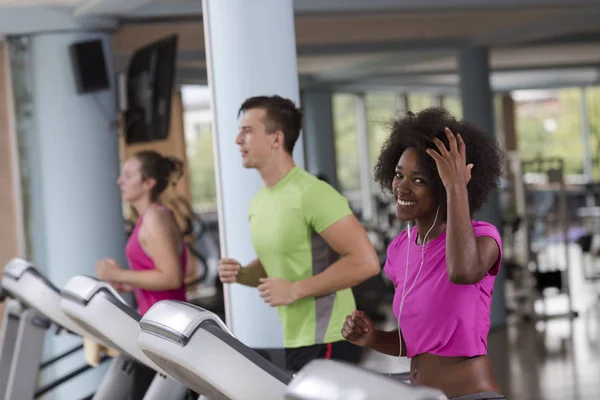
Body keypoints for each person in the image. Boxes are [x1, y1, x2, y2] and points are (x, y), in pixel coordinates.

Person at [341, 108, 505, 400]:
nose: (401, 187)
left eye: (418, 180)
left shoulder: (483, 238)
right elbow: (415, 343)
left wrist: (456, 185)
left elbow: (463, 271)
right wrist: (373, 337)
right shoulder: (399, 250)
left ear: (442, 185)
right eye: (398, 175)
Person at [218, 95, 381, 372]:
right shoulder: (261, 201)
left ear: (275, 138)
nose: (237, 140)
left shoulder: (312, 193)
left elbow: (366, 262)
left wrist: (294, 290)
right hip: (298, 338)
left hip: (331, 336)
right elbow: (281, 267)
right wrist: (242, 273)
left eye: (247, 131)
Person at [96, 150, 188, 399]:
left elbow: (171, 277)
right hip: (153, 330)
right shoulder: (147, 219)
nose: (120, 181)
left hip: (167, 332)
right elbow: (156, 274)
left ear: (148, 183)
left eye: (128, 175)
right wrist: (130, 283)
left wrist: (120, 274)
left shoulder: (155, 218)